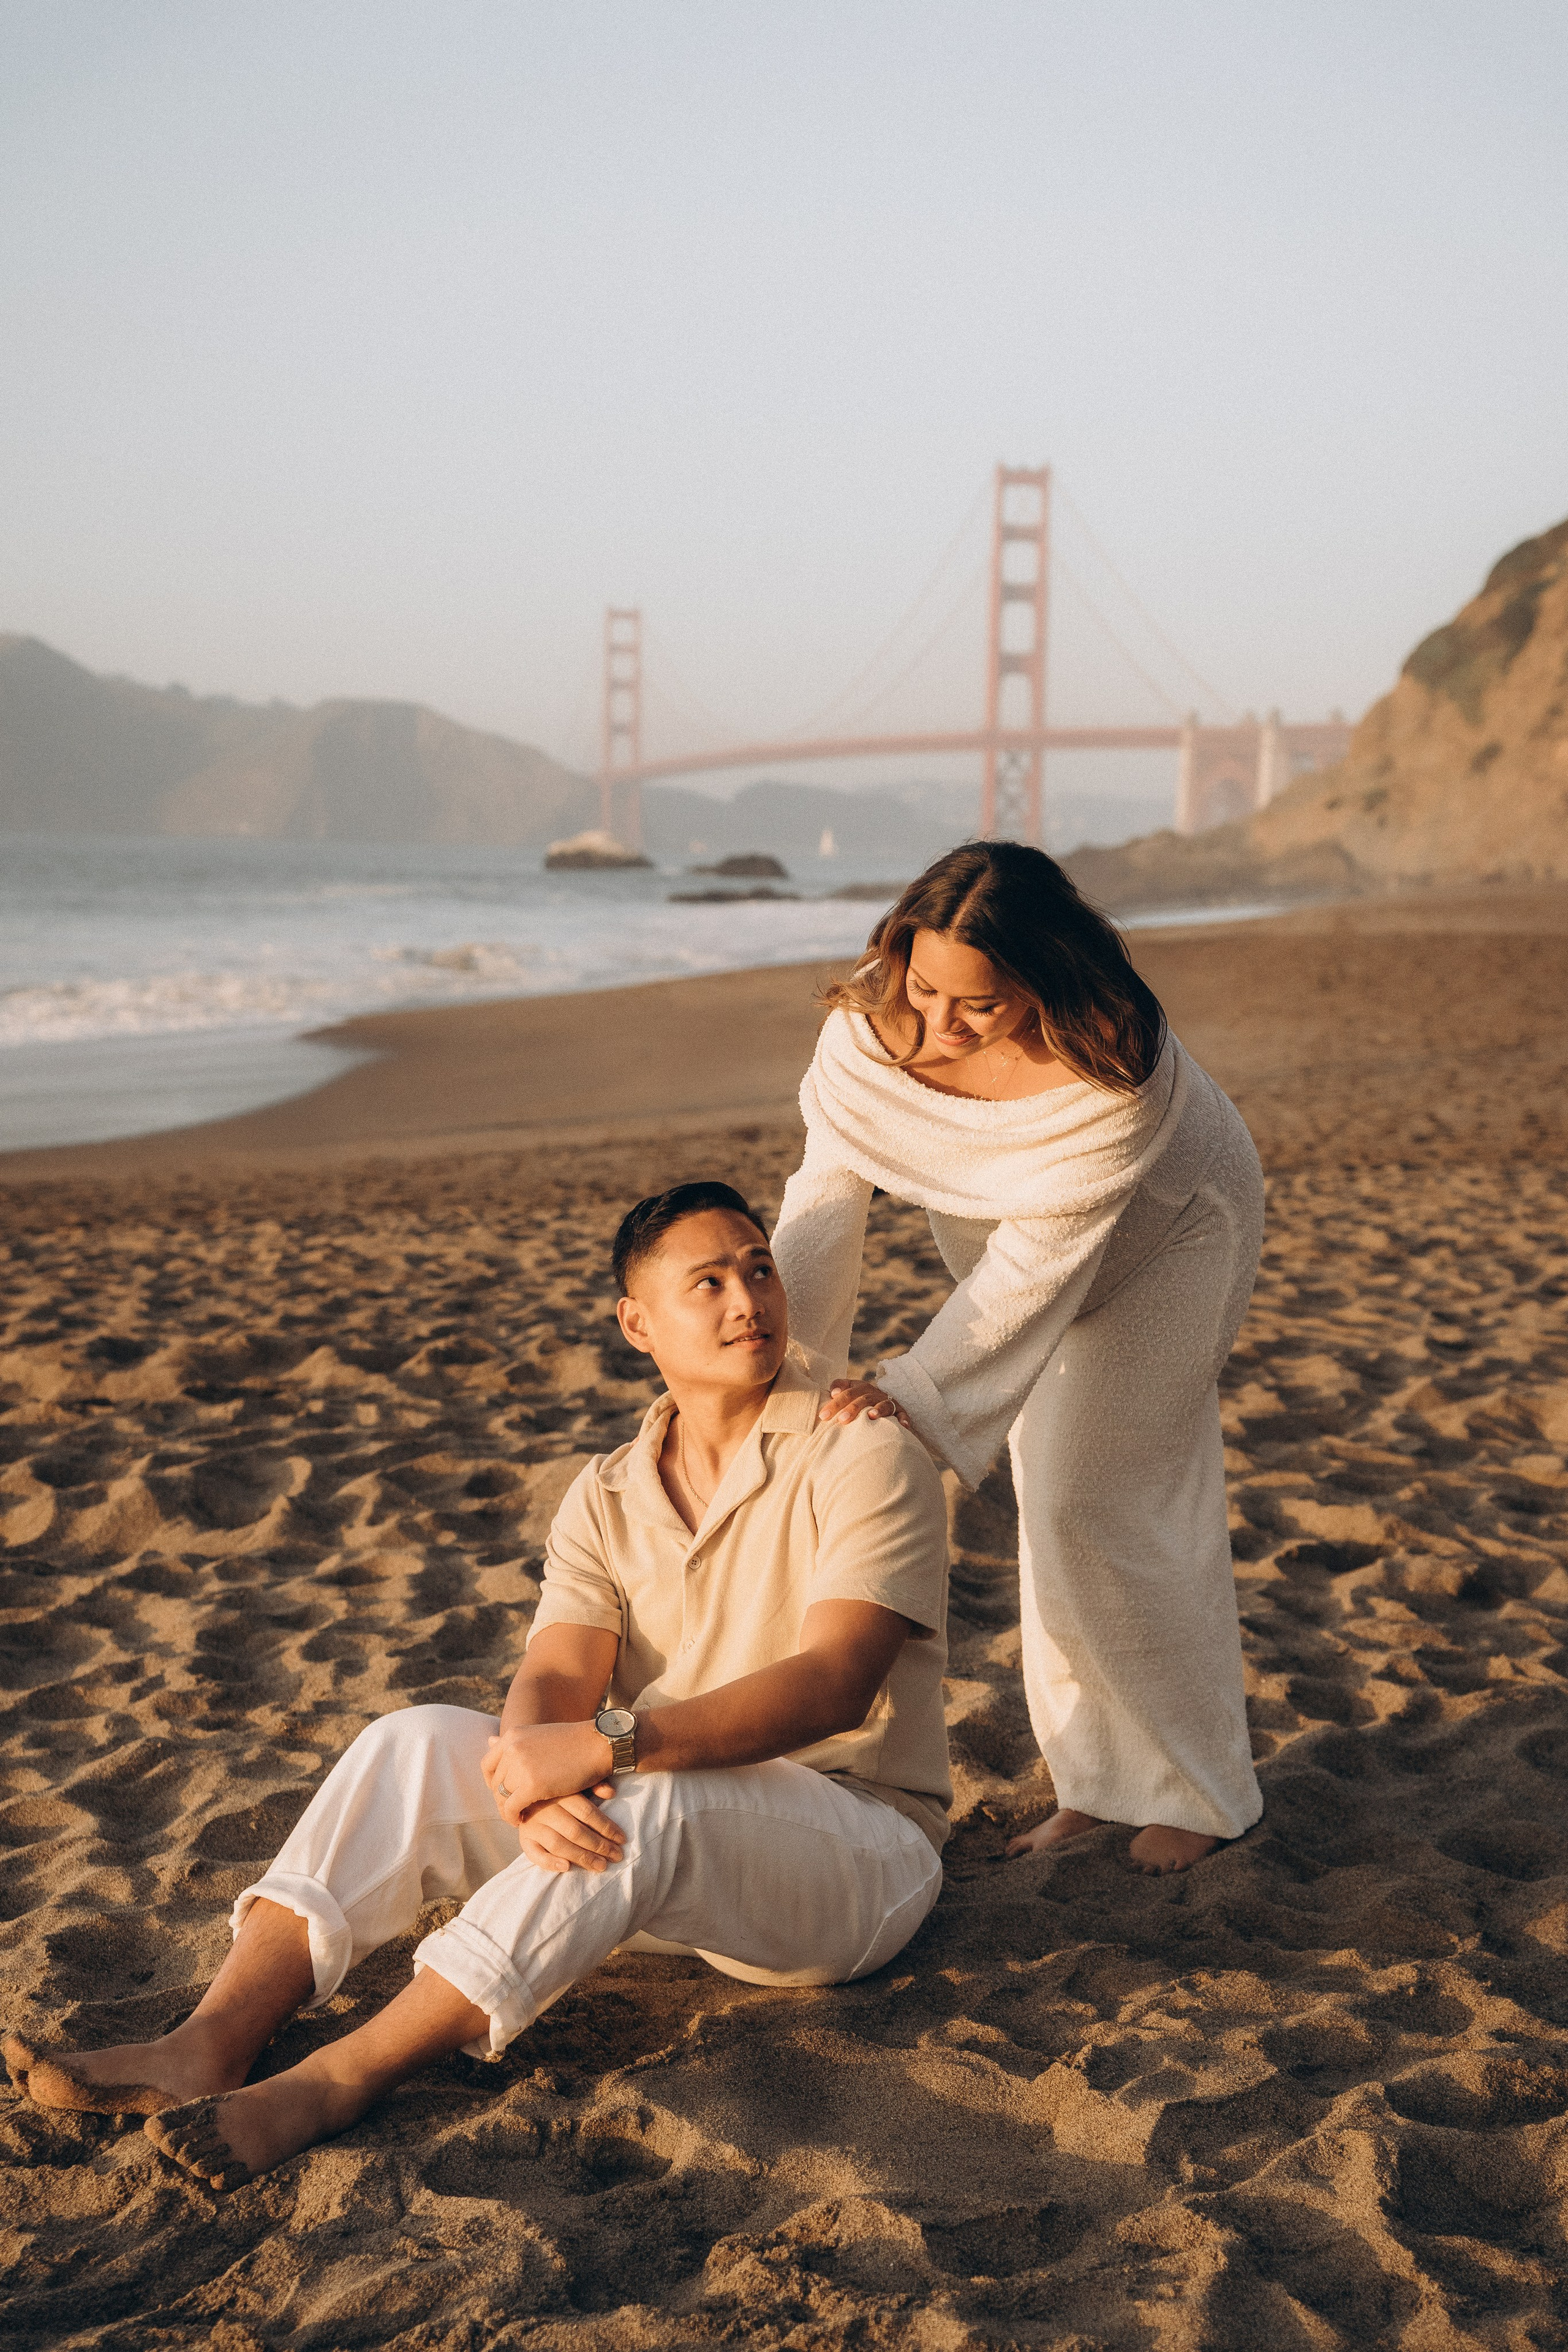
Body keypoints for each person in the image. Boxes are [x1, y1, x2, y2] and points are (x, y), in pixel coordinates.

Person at [3, 1182, 949, 2192]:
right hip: (662, 1856)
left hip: (854, 1857)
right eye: (708, 1281)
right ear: (638, 1323)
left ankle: (340, 2077)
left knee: (649, 1791)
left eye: (760, 1268)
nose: (747, 1300)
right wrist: (530, 1779)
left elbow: (834, 1685)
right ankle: (210, 2041)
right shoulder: (611, 1487)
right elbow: (554, 1672)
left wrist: (604, 1748)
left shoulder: (864, 1448)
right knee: (409, 1741)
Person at [769, 840, 1264, 1875]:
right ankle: (1093, 1787)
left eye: (980, 1007)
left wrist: (906, 1389)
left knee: (1106, 1500)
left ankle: (1201, 1792)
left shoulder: (1112, 1074)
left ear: (1047, 981)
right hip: (1008, 1234)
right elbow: (824, 1205)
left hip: (1172, 1239)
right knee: (1050, 1508)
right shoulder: (873, 1022)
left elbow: (1035, 1270)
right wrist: (783, 1378)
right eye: (926, 983)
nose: (940, 1025)